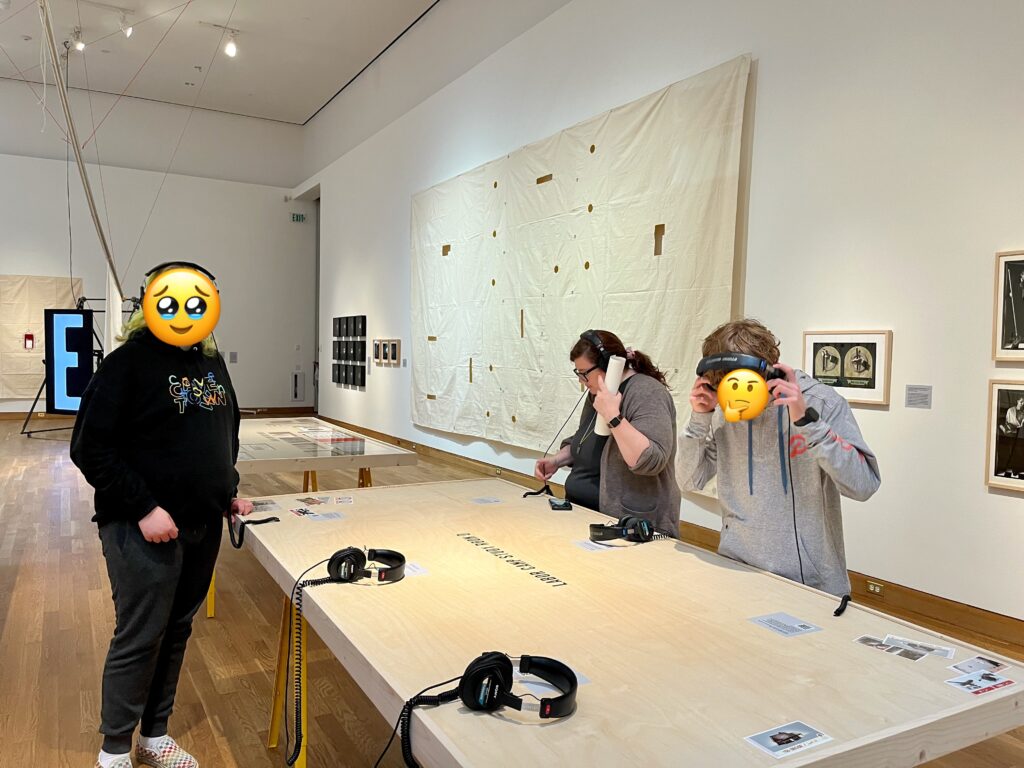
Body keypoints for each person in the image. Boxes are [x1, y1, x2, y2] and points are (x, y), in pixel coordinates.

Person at [71, 262, 252, 768]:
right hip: (139, 528)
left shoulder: (212, 364)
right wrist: (145, 508)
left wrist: (228, 492)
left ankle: (154, 737)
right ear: (149, 302)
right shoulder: (127, 364)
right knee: (141, 633)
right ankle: (113, 753)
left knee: (178, 629)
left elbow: (224, 438)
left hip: (202, 525)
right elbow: (91, 449)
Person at [676, 319, 880, 597]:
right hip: (735, 568)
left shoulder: (821, 403)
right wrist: (700, 419)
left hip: (808, 582)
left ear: (771, 370)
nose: (735, 393)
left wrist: (808, 422)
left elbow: (864, 485)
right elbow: (688, 479)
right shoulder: (726, 408)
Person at [534, 330, 681, 536]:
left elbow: (651, 460)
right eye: (578, 373)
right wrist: (557, 460)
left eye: (584, 373)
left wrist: (612, 415)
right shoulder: (598, 392)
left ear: (607, 365)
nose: (582, 380)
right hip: (584, 514)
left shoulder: (648, 392)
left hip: (631, 524)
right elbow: (586, 440)